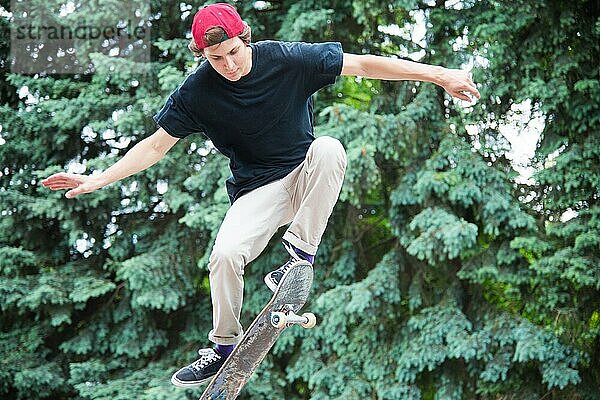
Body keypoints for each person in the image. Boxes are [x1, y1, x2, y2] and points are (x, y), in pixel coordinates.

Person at [41, 2, 480, 388]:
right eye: (216, 58)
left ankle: (299, 257)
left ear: (244, 37)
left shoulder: (287, 58)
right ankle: (223, 345)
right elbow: (155, 146)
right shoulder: (197, 92)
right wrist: (97, 179)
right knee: (226, 255)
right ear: (203, 55)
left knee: (329, 148)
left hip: (306, 173)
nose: (228, 64)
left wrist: (440, 76)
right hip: (257, 189)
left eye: (233, 52)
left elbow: (364, 65)